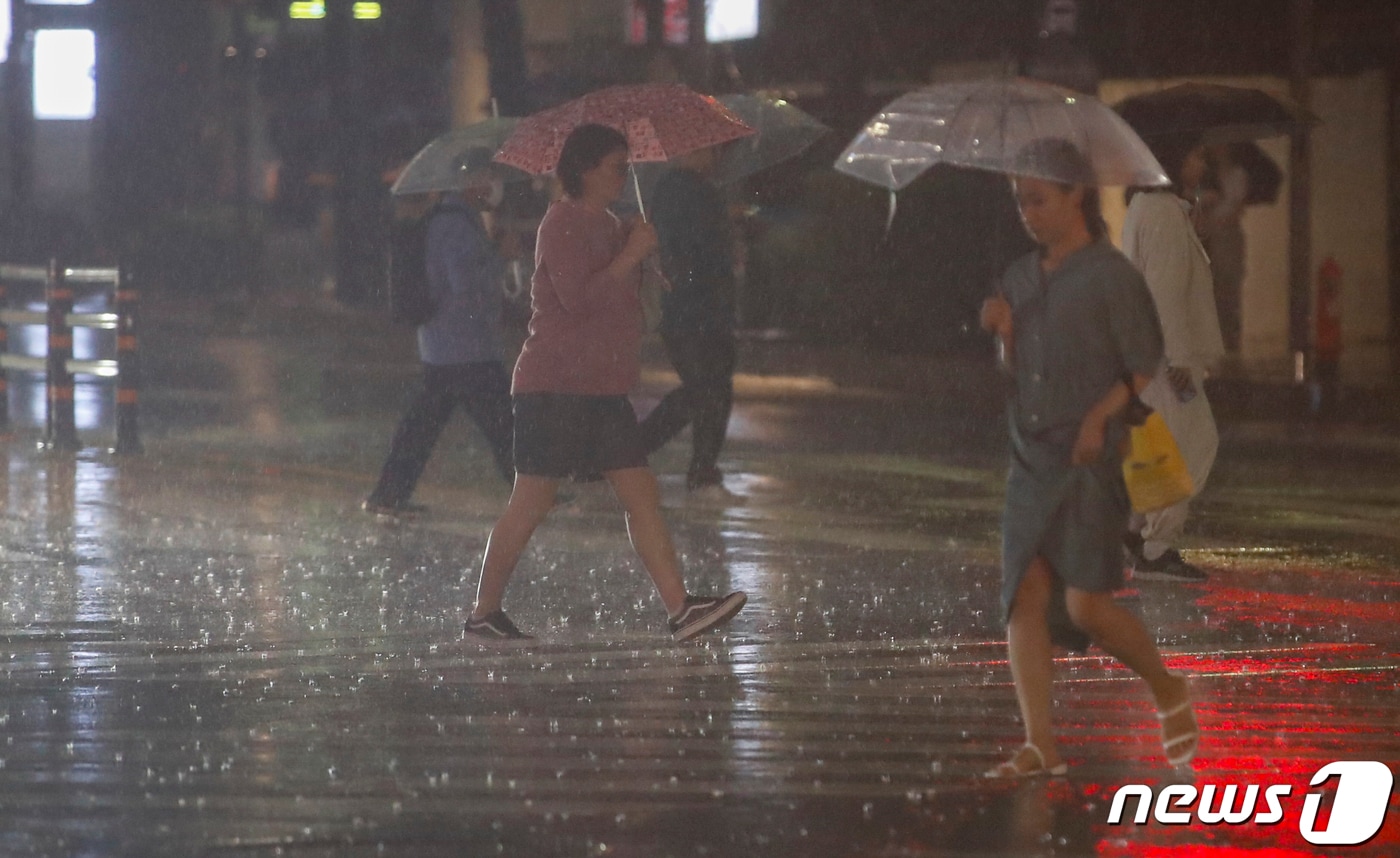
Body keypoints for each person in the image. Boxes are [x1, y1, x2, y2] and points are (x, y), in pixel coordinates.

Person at [464, 124, 746, 643]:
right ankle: (485, 610)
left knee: (641, 493)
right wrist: (630, 256)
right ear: (587, 168)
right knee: (531, 501)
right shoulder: (562, 222)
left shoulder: (615, 223)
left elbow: (623, 291)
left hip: (604, 387)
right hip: (555, 384)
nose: (625, 174)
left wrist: (646, 256)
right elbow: (578, 299)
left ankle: (680, 609)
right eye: (617, 166)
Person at [978, 139, 1198, 777]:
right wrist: (1006, 336)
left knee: (1084, 605)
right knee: (1023, 592)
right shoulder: (1019, 278)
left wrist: (1100, 418)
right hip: (1031, 454)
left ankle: (1165, 686)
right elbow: (1015, 376)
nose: (1029, 213)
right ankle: (1039, 743)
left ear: (1077, 195)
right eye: (1020, 201)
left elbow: (1142, 364)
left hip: (1089, 460)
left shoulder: (1111, 276)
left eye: (1039, 199)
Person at [362, 158, 517, 517]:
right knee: (505, 424)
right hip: (465, 348)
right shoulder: (454, 225)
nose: (496, 186)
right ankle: (534, 494)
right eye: (490, 177)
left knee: (425, 426)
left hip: (449, 347)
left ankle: (388, 494)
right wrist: (499, 257)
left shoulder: (459, 219)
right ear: (470, 182)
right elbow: (465, 285)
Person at [1121, 138, 1226, 582]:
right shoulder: (1162, 211)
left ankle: (1135, 533)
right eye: (1196, 151)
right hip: (1167, 358)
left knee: (1161, 446)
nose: (1201, 160)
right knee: (1190, 444)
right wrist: (1179, 360)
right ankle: (1155, 547)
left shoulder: (1153, 207)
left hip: (1151, 354)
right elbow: (1163, 295)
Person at [637, 145, 738, 494]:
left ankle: (701, 466)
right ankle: (635, 452)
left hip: (704, 308)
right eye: (710, 151)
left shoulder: (699, 190)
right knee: (705, 389)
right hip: (693, 309)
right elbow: (689, 251)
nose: (716, 158)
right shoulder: (682, 191)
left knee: (712, 389)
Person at [1197, 143, 1249, 354]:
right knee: (1213, 292)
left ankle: (1231, 342)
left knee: (1230, 291)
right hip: (1210, 239)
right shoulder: (1207, 175)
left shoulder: (1238, 174)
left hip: (1228, 237)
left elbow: (1237, 208)